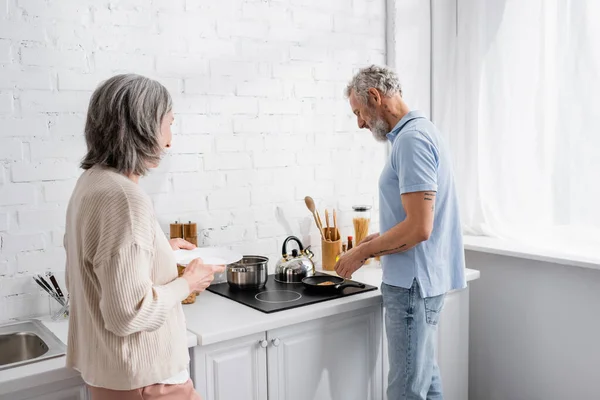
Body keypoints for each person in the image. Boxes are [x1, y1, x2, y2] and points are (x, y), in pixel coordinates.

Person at [64, 74, 224, 399]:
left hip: (113, 376)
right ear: (144, 127)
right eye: (168, 125)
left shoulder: (91, 183)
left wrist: (159, 248)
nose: (169, 141)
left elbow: (102, 263)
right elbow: (127, 315)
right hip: (148, 383)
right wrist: (187, 284)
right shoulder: (124, 197)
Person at [335, 65, 466, 399]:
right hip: (422, 281)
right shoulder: (420, 133)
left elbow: (420, 228)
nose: (360, 123)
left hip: (411, 285)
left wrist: (362, 252)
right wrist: (375, 241)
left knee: (406, 391)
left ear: (375, 97)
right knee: (425, 381)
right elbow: (417, 219)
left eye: (358, 112)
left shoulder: (411, 140)